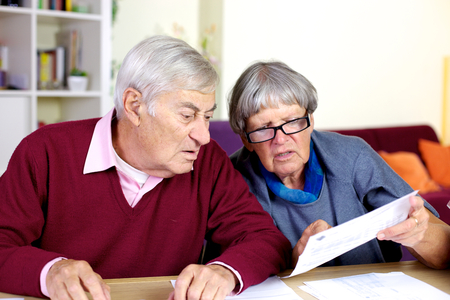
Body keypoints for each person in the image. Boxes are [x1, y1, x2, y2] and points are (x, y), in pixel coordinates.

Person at [0, 37, 291, 300]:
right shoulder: (46, 151)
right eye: (187, 115)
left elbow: (266, 240)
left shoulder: (207, 160)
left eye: (207, 116)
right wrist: (49, 272)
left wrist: (226, 271)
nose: (203, 135)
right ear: (134, 106)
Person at [228, 60, 450, 270]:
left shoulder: (352, 155)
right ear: (246, 139)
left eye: (292, 122)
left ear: (310, 121)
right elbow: (231, 267)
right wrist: (294, 261)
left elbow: (444, 246)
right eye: (264, 128)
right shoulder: (232, 177)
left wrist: (420, 236)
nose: (281, 139)